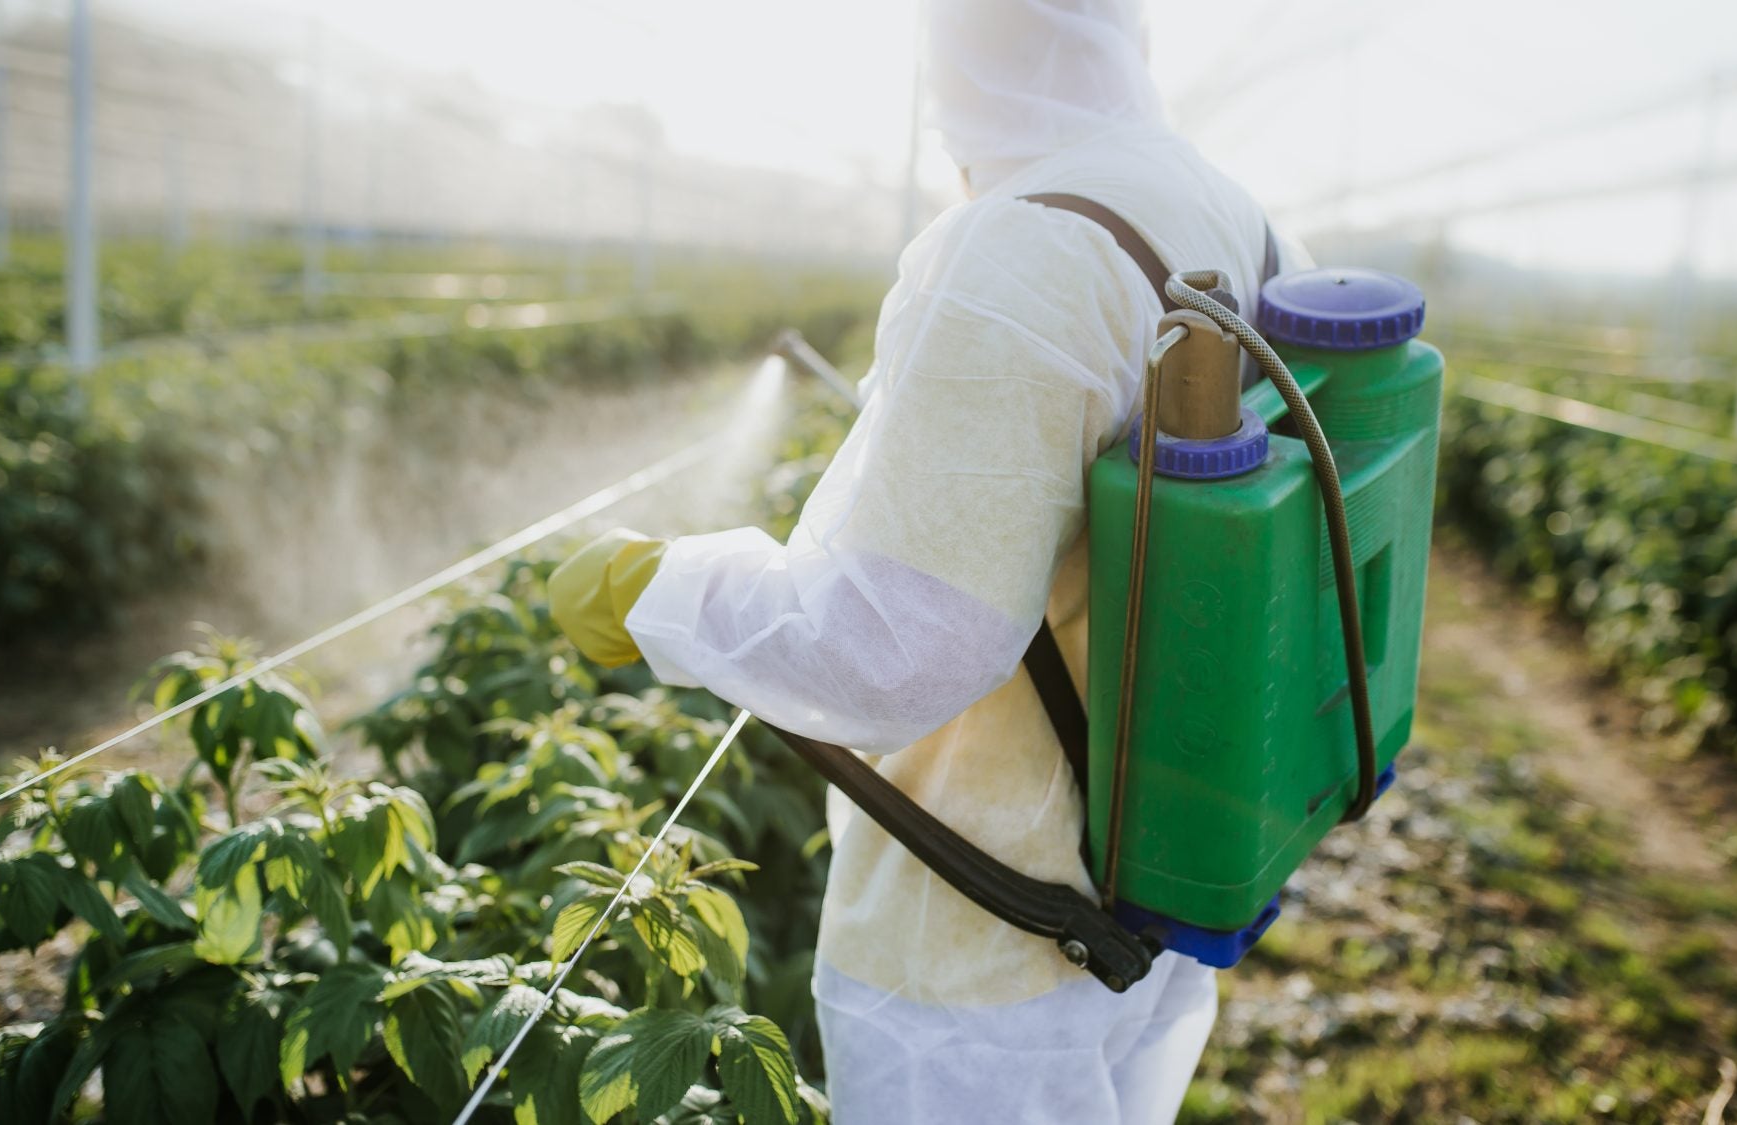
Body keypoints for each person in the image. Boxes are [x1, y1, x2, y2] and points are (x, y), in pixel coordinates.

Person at [548, 0, 1305, 1119]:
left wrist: (656, 590)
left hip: (983, 943)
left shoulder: (1027, 245)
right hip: (1157, 862)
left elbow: (896, 649)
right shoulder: (1222, 206)